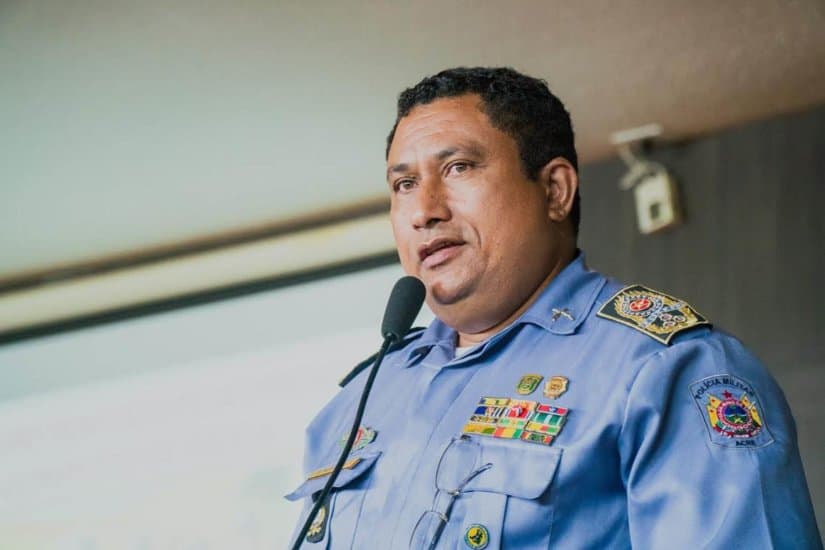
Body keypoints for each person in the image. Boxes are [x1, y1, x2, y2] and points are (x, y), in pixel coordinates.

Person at [286, 67, 822, 548]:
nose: (424, 210)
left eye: (458, 168)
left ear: (555, 190)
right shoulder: (363, 397)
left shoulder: (669, 369)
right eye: (404, 184)